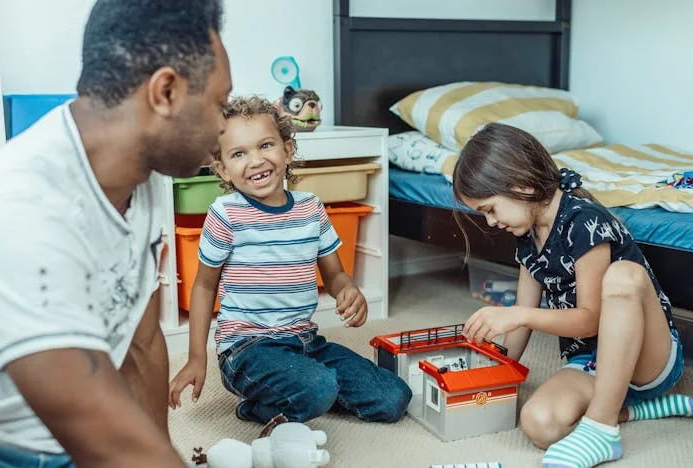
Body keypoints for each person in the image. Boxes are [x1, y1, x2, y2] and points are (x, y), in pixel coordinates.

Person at [0, 1, 232, 466]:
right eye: (220, 103)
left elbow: (140, 345)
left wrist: (162, 451)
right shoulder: (21, 210)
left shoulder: (141, 175)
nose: (223, 124)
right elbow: (98, 433)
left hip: (55, 438)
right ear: (165, 92)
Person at [453, 123, 690, 468]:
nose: (490, 222)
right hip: (592, 364)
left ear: (522, 185)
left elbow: (588, 318)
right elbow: (523, 314)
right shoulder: (527, 236)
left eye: (491, 209)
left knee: (624, 277)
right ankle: (630, 411)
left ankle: (602, 427)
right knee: (539, 422)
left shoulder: (583, 219)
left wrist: (518, 315)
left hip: (647, 359)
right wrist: (492, 372)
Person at [168, 96, 411, 424]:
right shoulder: (225, 215)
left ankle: (307, 390)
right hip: (247, 349)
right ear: (223, 169)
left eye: (265, 145)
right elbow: (203, 285)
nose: (255, 161)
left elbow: (336, 274)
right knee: (318, 387)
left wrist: (348, 290)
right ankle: (259, 406)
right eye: (239, 153)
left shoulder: (311, 208)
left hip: (305, 342)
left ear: (288, 151)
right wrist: (197, 357)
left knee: (393, 398)